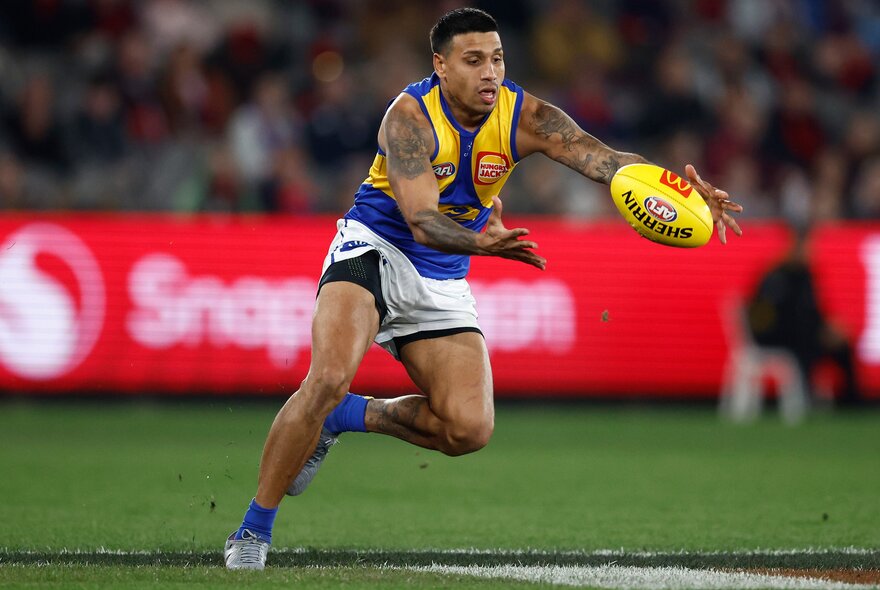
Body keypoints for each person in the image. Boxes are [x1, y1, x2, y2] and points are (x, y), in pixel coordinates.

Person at [224, 7, 743, 569]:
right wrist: (485, 245)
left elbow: (608, 162)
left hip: (442, 274)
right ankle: (254, 530)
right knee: (325, 376)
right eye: (473, 60)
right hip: (377, 248)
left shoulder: (528, 116)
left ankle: (348, 416)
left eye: (497, 58)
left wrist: (682, 194)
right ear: (441, 66)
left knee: (468, 427)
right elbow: (421, 220)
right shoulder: (410, 119)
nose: (490, 72)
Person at [747, 225, 860, 406]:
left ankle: (850, 402)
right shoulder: (776, 276)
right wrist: (817, 331)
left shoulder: (806, 274)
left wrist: (827, 329)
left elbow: (814, 310)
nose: (811, 252)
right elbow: (774, 318)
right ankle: (807, 399)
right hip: (781, 339)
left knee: (843, 348)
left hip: (806, 336)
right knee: (807, 352)